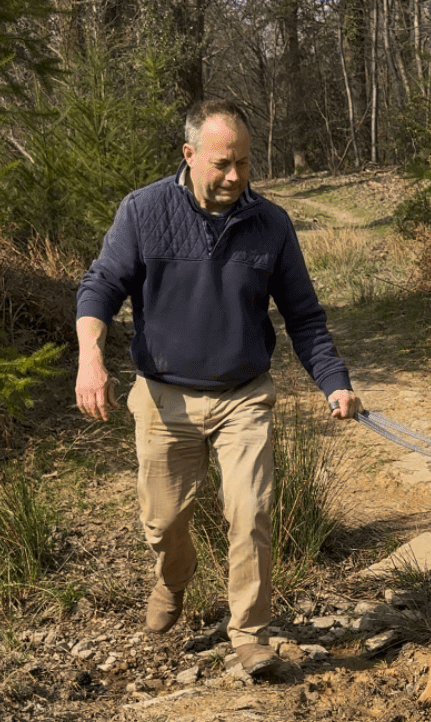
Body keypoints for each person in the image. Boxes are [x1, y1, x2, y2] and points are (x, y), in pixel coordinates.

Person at [75, 98, 361, 674]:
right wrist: (90, 358)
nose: (235, 176)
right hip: (163, 397)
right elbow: (100, 286)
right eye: (222, 163)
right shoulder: (144, 211)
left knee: (251, 511)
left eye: (245, 164)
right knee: (162, 522)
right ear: (189, 154)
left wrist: (334, 383)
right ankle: (174, 580)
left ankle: (250, 634)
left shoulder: (271, 224)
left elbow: (304, 316)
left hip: (243, 394)